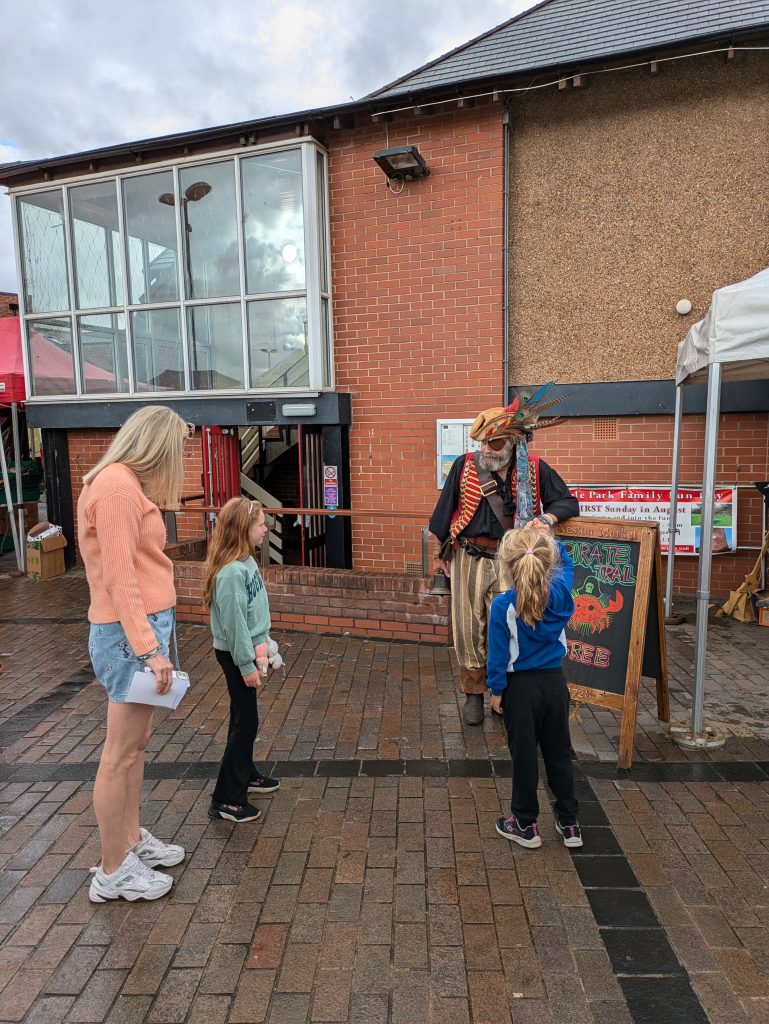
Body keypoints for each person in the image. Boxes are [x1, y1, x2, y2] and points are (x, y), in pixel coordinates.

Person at [79, 406, 192, 902]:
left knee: (135, 746)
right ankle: (112, 871)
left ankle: (128, 843)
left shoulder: (121, 484)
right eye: (179, 449)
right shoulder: (119, 488)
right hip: (131, 635)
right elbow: (120, 578)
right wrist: (150, 649)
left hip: (138, 630)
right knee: (119, 754)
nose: (182, 459)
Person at [429, 391, 579, 724]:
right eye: (482, 443)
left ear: (511, 443)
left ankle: (506, 689)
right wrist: (438, 556)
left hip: (514, 560)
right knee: (469, 627)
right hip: (468, 555)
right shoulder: (464, 465)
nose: (485, 450)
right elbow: (443, 514)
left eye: (493, 444)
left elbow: (567, 502)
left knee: (510, 625)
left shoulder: (536, 468)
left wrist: (548, 519)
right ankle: (473, 693)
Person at [487, 529, 582, 849]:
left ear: (509, 565)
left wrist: (496, 691)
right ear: (546, 561)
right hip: (555, 684)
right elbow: (567, 565)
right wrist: (551, 539)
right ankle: (569, 823)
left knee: (525, 756)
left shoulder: (503, 607)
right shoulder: (560, 594)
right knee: (558, 753)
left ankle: (525, 824)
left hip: (520, 690)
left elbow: (498, 657)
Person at [203, 496, 280, 823]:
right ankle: (226, 799)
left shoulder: (246, 562)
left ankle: (246, 775)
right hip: (236, 655)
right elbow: (234, 625)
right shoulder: (232, 573)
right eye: (261, 524)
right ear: (243, 528)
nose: (266, 529)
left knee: (242, 717)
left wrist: (264, 644)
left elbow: (252, 614)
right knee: (246, 722)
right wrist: (247, 665)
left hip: (246, 650)